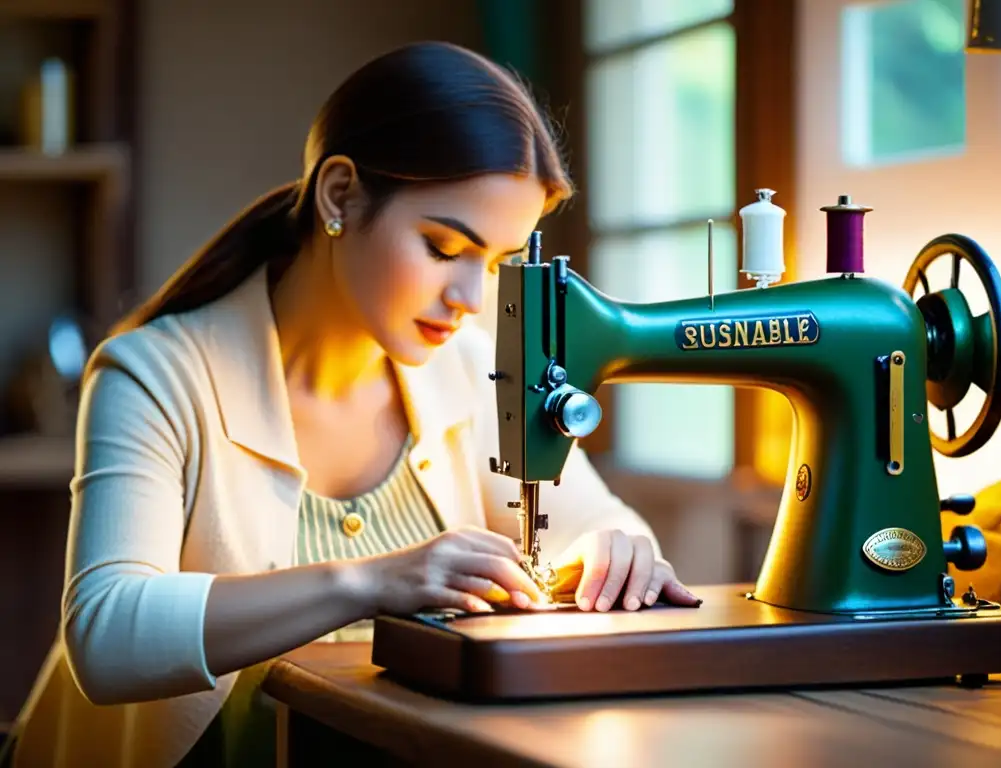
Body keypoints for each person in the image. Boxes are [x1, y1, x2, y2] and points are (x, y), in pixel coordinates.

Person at [5, 41, 699, 768]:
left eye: (494, 263)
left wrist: (614, 549)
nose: (470, 299)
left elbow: (596, 522)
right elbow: (109, 636)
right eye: (442, 246)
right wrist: (371, 581)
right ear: (340, 196)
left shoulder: (467, 369)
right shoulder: (156, 375)